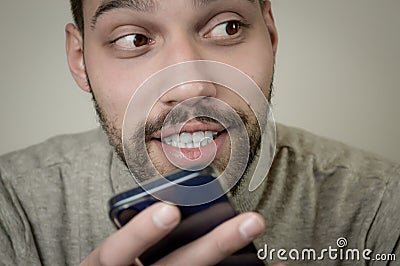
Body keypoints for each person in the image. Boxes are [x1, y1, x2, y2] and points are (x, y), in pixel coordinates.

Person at [0, 0, 398, 265]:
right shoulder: (11, 206)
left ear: (271, 35)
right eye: (134, 40)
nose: (190, 85)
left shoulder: (382, 208)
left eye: (227, 27)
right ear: (79, 59)